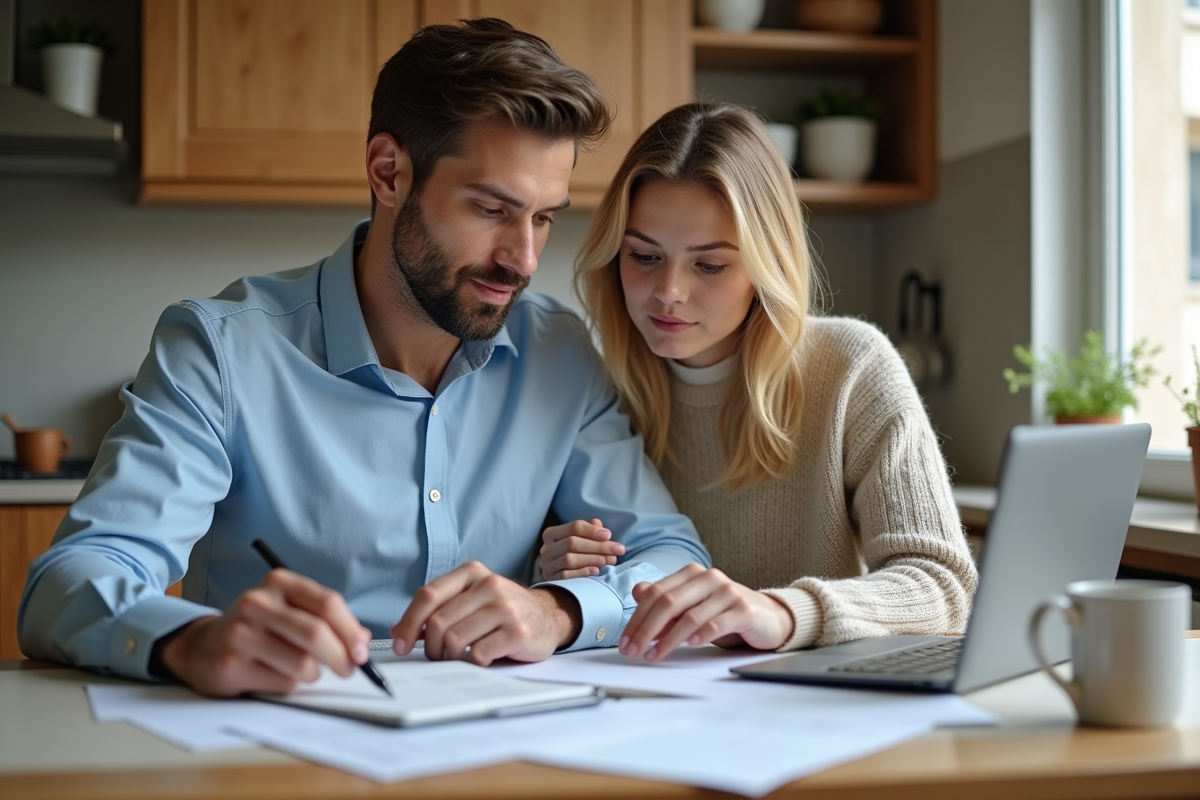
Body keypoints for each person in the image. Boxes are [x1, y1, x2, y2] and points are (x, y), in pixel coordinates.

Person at [18, 20, 710, 696]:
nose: (523, 259)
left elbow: (673, 559)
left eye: (544, 217)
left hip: (498, 742)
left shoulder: (556, 352)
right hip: (276, 746)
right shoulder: (222, 350)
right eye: (492, 210)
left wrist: (555, 610)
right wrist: (189, 641)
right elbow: (68, 580)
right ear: (388, 173)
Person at [539, 102, 978, 663]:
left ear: (765, 265)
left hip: (811, 707)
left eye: (710, 265)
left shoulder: (851, 367)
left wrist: (782, 612)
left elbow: (944, 587)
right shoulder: (599, 393)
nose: (668, 291)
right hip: (654, 706)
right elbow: (589, 603)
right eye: (644, 256)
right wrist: (565, 578)